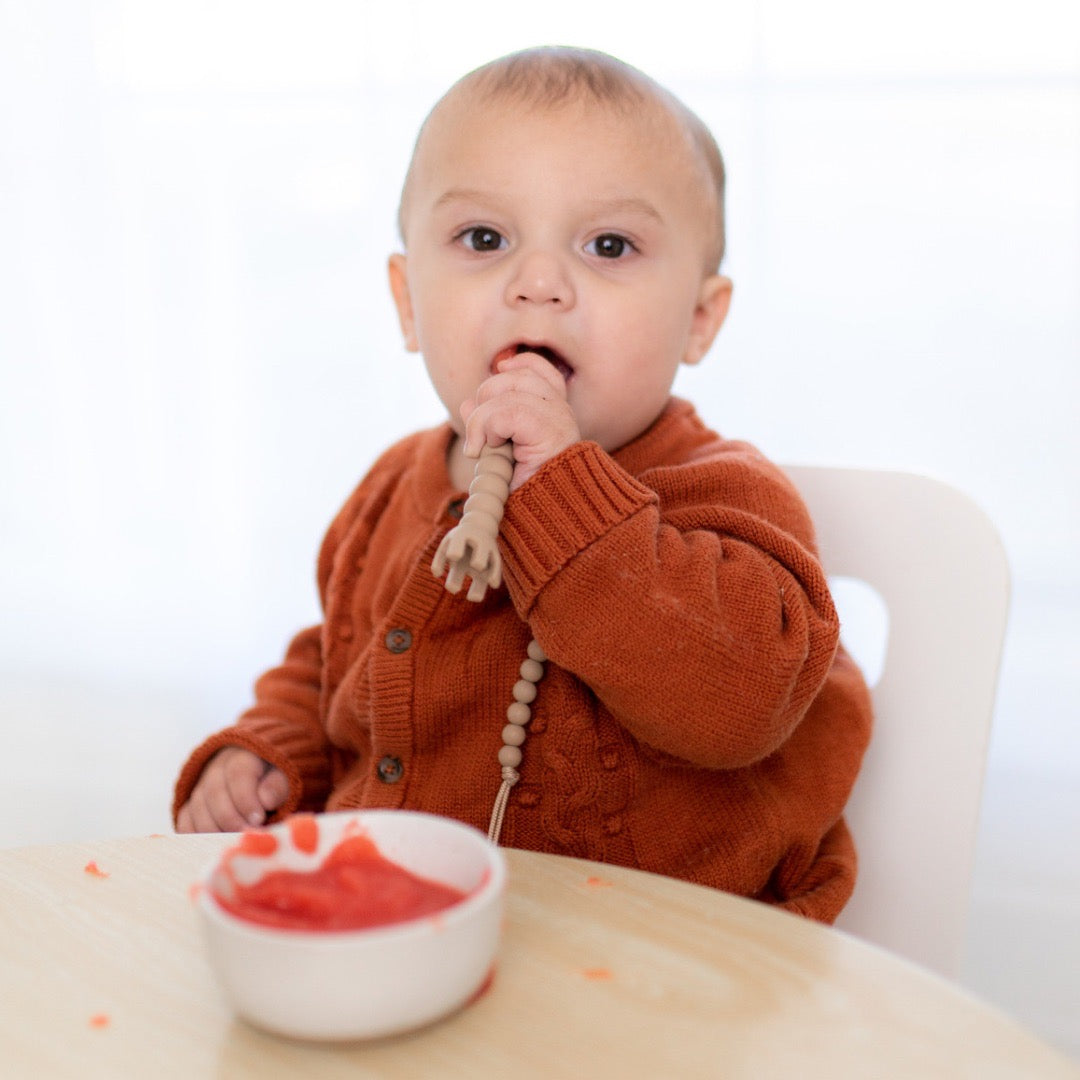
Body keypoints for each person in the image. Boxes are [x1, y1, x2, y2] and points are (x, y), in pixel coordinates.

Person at [174, 45, 872, 923]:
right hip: (406, 937)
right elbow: (340, 650)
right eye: (484, 239)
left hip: (667, 973)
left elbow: (742, 703)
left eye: (608, 245)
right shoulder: (392, 486)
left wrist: (560, 491)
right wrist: (273, 755)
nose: (537, 284)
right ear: (406, 302)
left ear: (700, 318)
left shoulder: (726, 497)